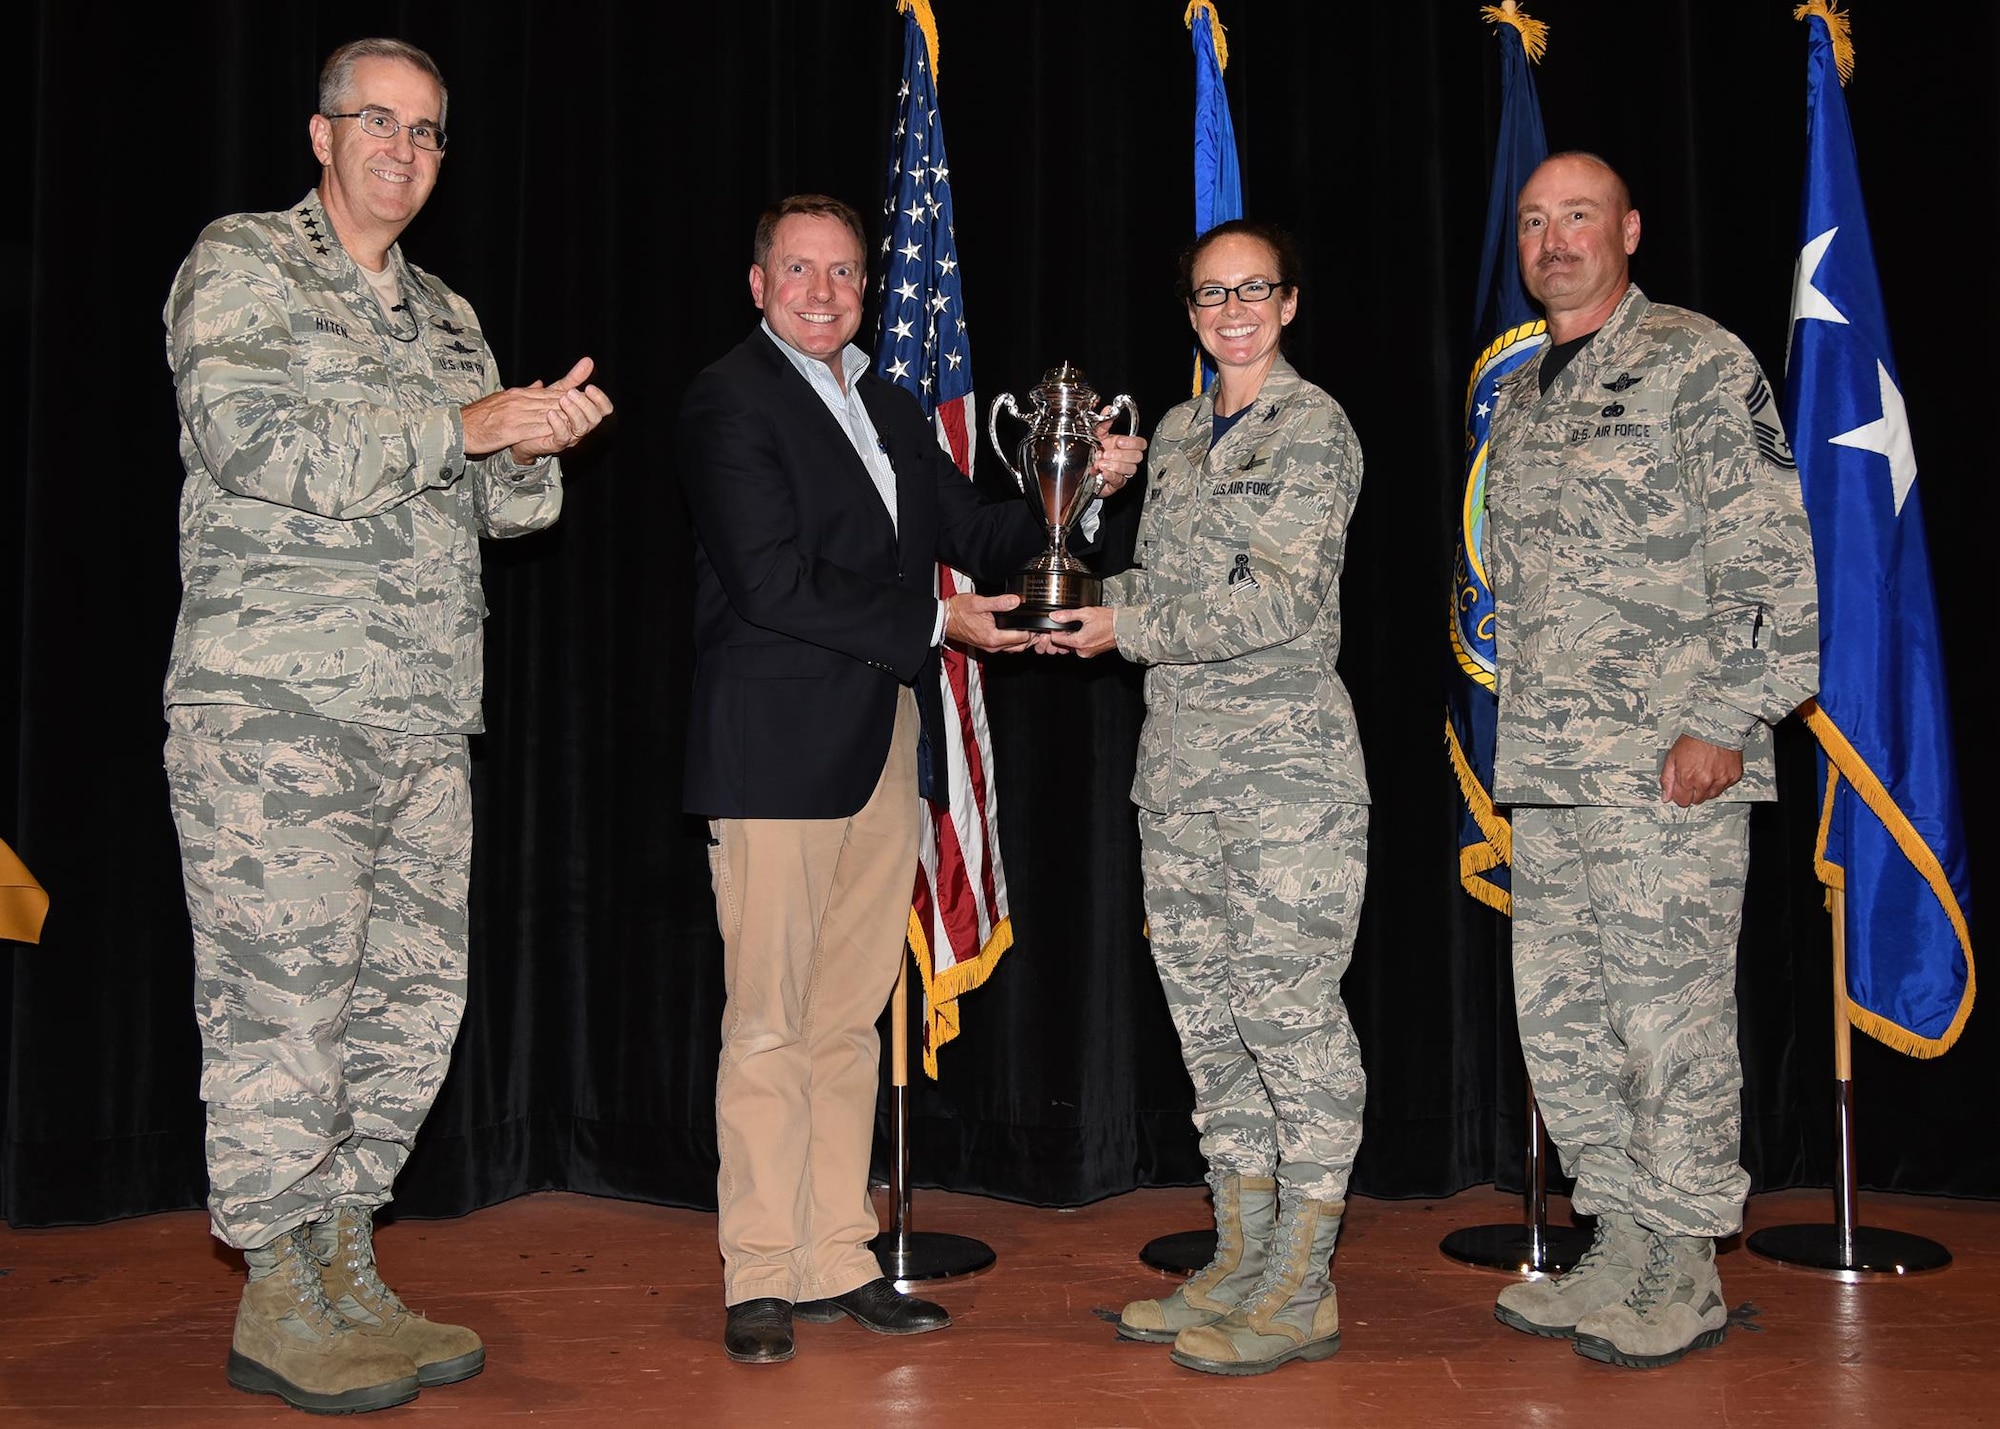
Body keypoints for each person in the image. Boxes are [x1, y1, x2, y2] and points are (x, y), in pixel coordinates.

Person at [162, 37, 613, 1416]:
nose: (403, 152)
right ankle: (278, 1294)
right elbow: (255, 444)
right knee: (282, 1007)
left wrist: (530, 450)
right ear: (320, 134)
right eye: (379, 123)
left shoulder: (449, 316)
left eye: (427, 133)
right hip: (276, 715)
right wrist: (462, 425)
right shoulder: (245, 266)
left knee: (407, 1007)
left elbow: (498, 515)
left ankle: (347, 1264)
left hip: (422, 721)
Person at [676, 194, 1145, 1365]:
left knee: (845, 1021)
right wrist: (938, 618)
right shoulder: (727, 400)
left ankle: (836, 1254)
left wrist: (1078, 488)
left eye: (842, 272)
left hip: (886, 742)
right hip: (774, 754)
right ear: (757, 284)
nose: (823, 291)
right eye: (799, 269)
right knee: (770, 1023)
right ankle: (759, 1271)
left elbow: (985, 532)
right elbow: (769, 582)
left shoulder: (885, 406)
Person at [1484, 153, 1819, 1368]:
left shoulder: (1696, 360)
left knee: (1664, 1019)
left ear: (1627, 229)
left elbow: (1770, 559)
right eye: (1533, 221)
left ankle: (1685, 1260)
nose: (1554, 238)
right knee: (1564, 1018)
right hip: (1555, 763)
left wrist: (1726, 718)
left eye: (1577, 216)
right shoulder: (1523, 395)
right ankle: (1620, 1235)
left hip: (1665, 759)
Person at [1042, 219, 1369, 1378]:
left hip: (1285, 780)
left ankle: (1303, 1278)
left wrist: (1123, 623)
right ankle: (1239, 1256)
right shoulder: (1174, 433)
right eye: (1207, 295)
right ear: (1188, 314)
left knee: (1290, 1022)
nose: (1230, 310)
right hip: (1178, 776)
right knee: (1211, 1030)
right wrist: (1079, 563)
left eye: (1252, 290)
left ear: (1287, 304)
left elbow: (1278, 599)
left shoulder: (1314, 428)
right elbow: (1164, 585)